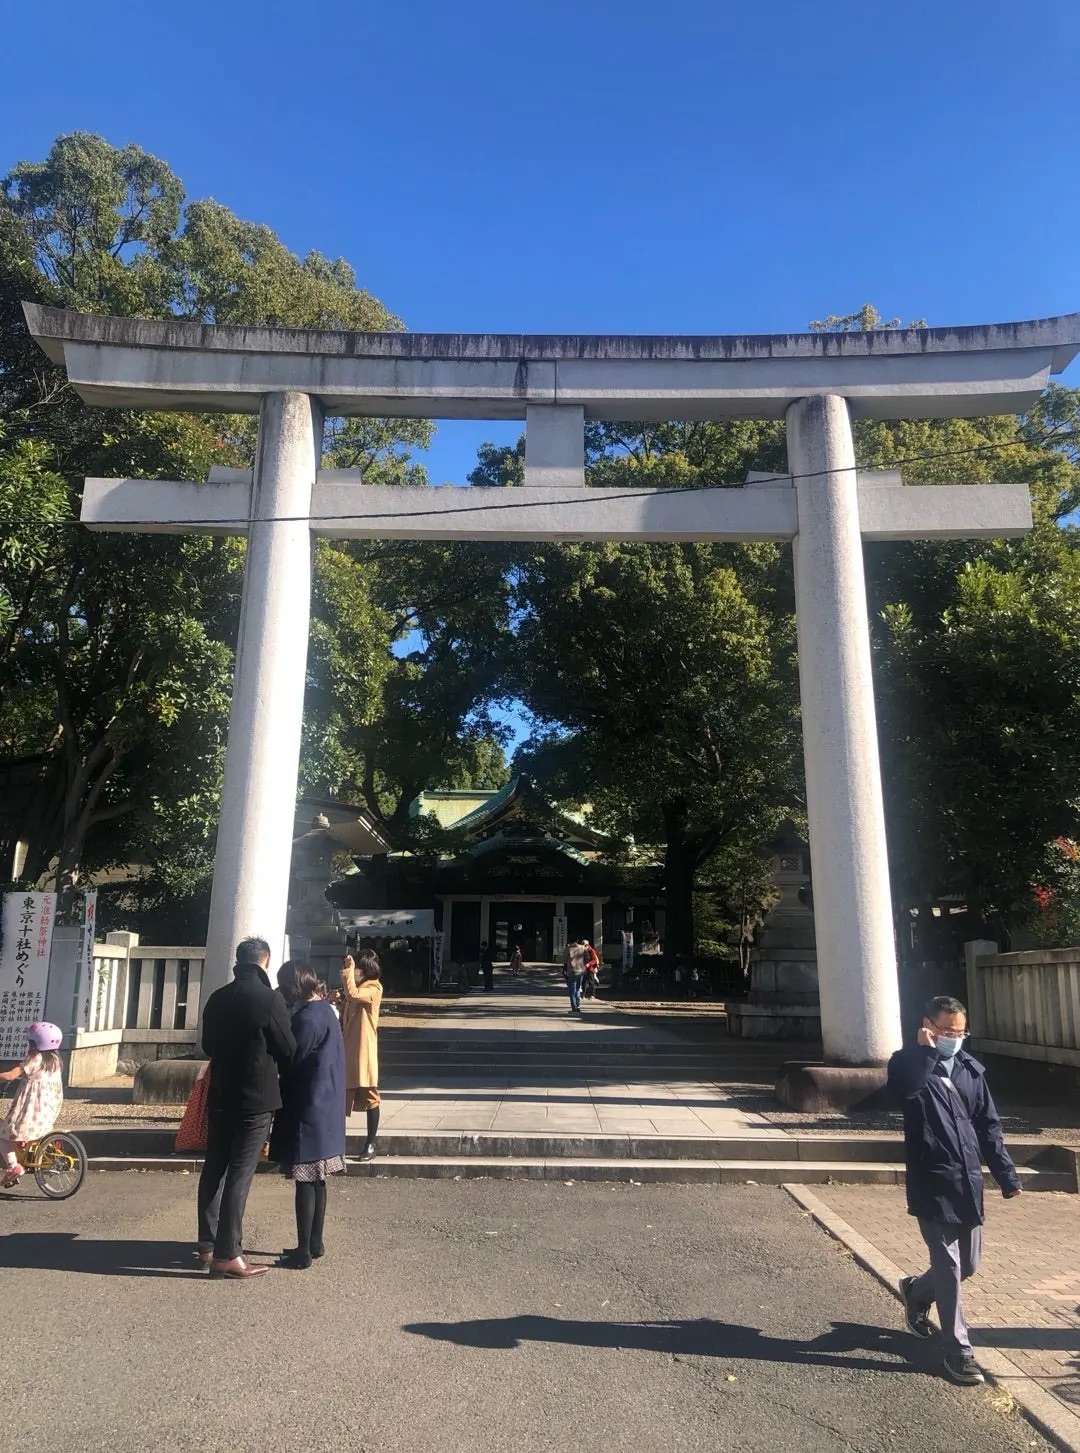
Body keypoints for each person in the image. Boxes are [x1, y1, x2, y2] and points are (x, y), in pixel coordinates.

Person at [888, 994, 1023, 1386]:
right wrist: (927, 1055)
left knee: (970, 1264)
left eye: (960, 1032)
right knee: (948, 1267)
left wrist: (1006, 1174)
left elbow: (989, 1126)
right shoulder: (907, 1063)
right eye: (947, 1030)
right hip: (932, 1181)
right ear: (928, 1025)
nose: (954, 1037)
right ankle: (958, 1350)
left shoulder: (970, 1069)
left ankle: (915, 1291)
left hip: (968, 1181)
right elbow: (902, 1095)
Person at [197, 937, 296, 1280]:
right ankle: (228, 1253)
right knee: (240, 1172)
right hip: (257, 1098)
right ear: (265, 962)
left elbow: (208, 1044)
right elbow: (287, 1047)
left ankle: (208, 1245)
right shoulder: (269, 999)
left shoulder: (217, 998)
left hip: (222, 1093)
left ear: (238, 961)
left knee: (215, 1168)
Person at [270, 961, 346, 1270]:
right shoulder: (326, 1011)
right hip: (327, 1103)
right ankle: (316, 1241)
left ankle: (302, 1249)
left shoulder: (306, 1019)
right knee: (318, 1179)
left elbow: (291, 1058)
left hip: (308, 1105)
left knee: (305, 1179)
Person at [0, 1022, 64, 1185]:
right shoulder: (55, 1060)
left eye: (31, 1042)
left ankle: (13, 1166)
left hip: (31, 1111)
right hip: (48, 1111)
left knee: (3, 1135)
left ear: (36, 1043)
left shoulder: (35, 1059)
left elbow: (11, 1075)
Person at [341, 949, 383, 1161]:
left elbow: (353, 995)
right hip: (349, 1049)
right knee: (341, 1098)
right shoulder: (357, 988)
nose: (353, 971)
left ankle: (370, 1143)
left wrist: (347, 972)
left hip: (363, 1051)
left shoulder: (373, 988)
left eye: (356, 968)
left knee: (370, 1096)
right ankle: (335, 1143)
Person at [563, 938, 587, 1014]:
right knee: (577, 989)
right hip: (581, 970)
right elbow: (587, 957)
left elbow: (563, 959)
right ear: (577, 940)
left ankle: (574, 1007)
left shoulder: (569, 948)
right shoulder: (583, 947)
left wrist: (565, 968)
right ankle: (578, 1006)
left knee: (572, 990)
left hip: (572, 970)